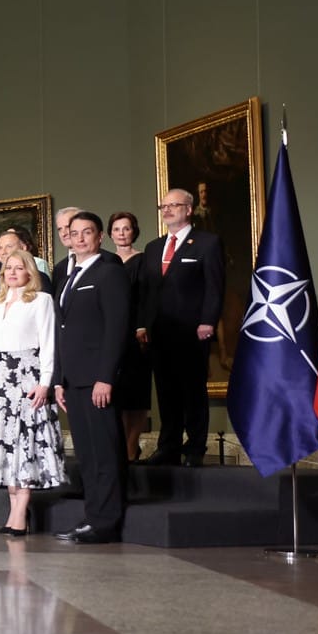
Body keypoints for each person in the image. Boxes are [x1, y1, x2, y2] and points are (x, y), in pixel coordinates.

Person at [0, 252, 63, 535]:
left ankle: (21, 513)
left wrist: (45, 381)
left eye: (19, 267)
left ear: (29, 272)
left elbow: (49, 343)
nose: (12, 272)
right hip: (0, 380)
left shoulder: (41, 300)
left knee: (26, 444)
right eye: (8, 268)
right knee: (6, 445)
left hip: (27, 378)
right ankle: (14, 511)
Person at [55, 212, 131, 544]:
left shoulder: (110, 272)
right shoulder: (67, 275)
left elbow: (117, 328)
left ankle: (106, 523)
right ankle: (93, 516)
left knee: (104, 452)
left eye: (88, 232)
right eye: (75, 233)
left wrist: (106, 377)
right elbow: (63, 330)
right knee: (87, 454)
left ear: (100, 237)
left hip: (97, 379)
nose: (81, 238)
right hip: (73, 379)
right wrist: (59, 379)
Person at [138, 188, 224, 467]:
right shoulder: (153, 248)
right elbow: (147, 291)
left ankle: (196, 447)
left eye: (173, 205)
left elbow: (214, 286)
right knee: (166, 392)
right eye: (163, 206)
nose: (167, 210)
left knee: (193, 391)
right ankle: (169, 447)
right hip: (159, 332)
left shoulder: (207, 243)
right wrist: (143, 325)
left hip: (192, 330)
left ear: (188, 209)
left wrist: (208, 320)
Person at [107, 211, 154, 460]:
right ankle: (119, 450)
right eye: (117, 229)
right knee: (118, 395)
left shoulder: (144, 260)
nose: (122, 233)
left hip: (137, 336)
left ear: (134, 231)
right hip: (113, 335)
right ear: (109, 233)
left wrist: (142, 326)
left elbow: (148, 296)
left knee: (136, 396)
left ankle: (131, 449)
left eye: (126, 228)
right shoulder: (105, 262)